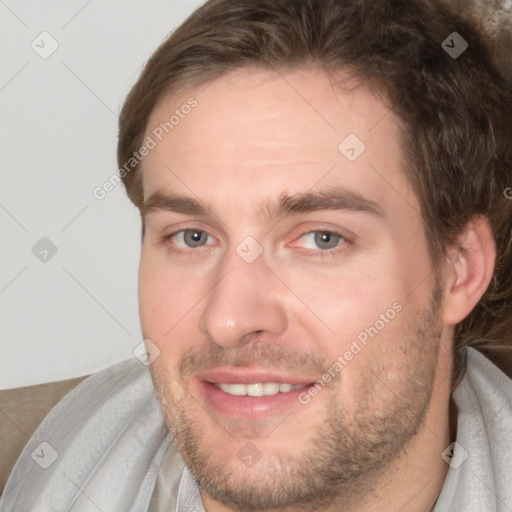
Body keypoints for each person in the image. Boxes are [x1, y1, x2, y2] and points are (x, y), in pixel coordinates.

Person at [1, 0, 511, 510]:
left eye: (321, 239)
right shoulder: (25, 461)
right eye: (192, 237)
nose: (228, 319)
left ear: (459, 270)